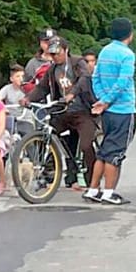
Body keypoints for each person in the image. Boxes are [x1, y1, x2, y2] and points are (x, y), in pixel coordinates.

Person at [26, 36, 97, 189]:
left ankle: (93, 182)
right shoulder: (52, 70)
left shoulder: (77, 62)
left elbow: (84, 79)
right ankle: (49, 173)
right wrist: (28, 99)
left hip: (82, 112)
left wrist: (72, 94)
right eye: (52, 54)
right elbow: (42, 88)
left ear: (66, 50)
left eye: (57, 53)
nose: (55, 57)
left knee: (86, 145)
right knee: (47, 135)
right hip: (62, 112)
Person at [83, 18, 136, 205]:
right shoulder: (127, 55)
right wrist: (107, 100)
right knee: (115, 153)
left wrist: (102, 99)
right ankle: (109, 192)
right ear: (129, 35)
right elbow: (123, 81)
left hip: (107, 111)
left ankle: (93, 189)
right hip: (124, 109)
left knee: (104, 151)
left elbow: (95, 78)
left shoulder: (104, 51)